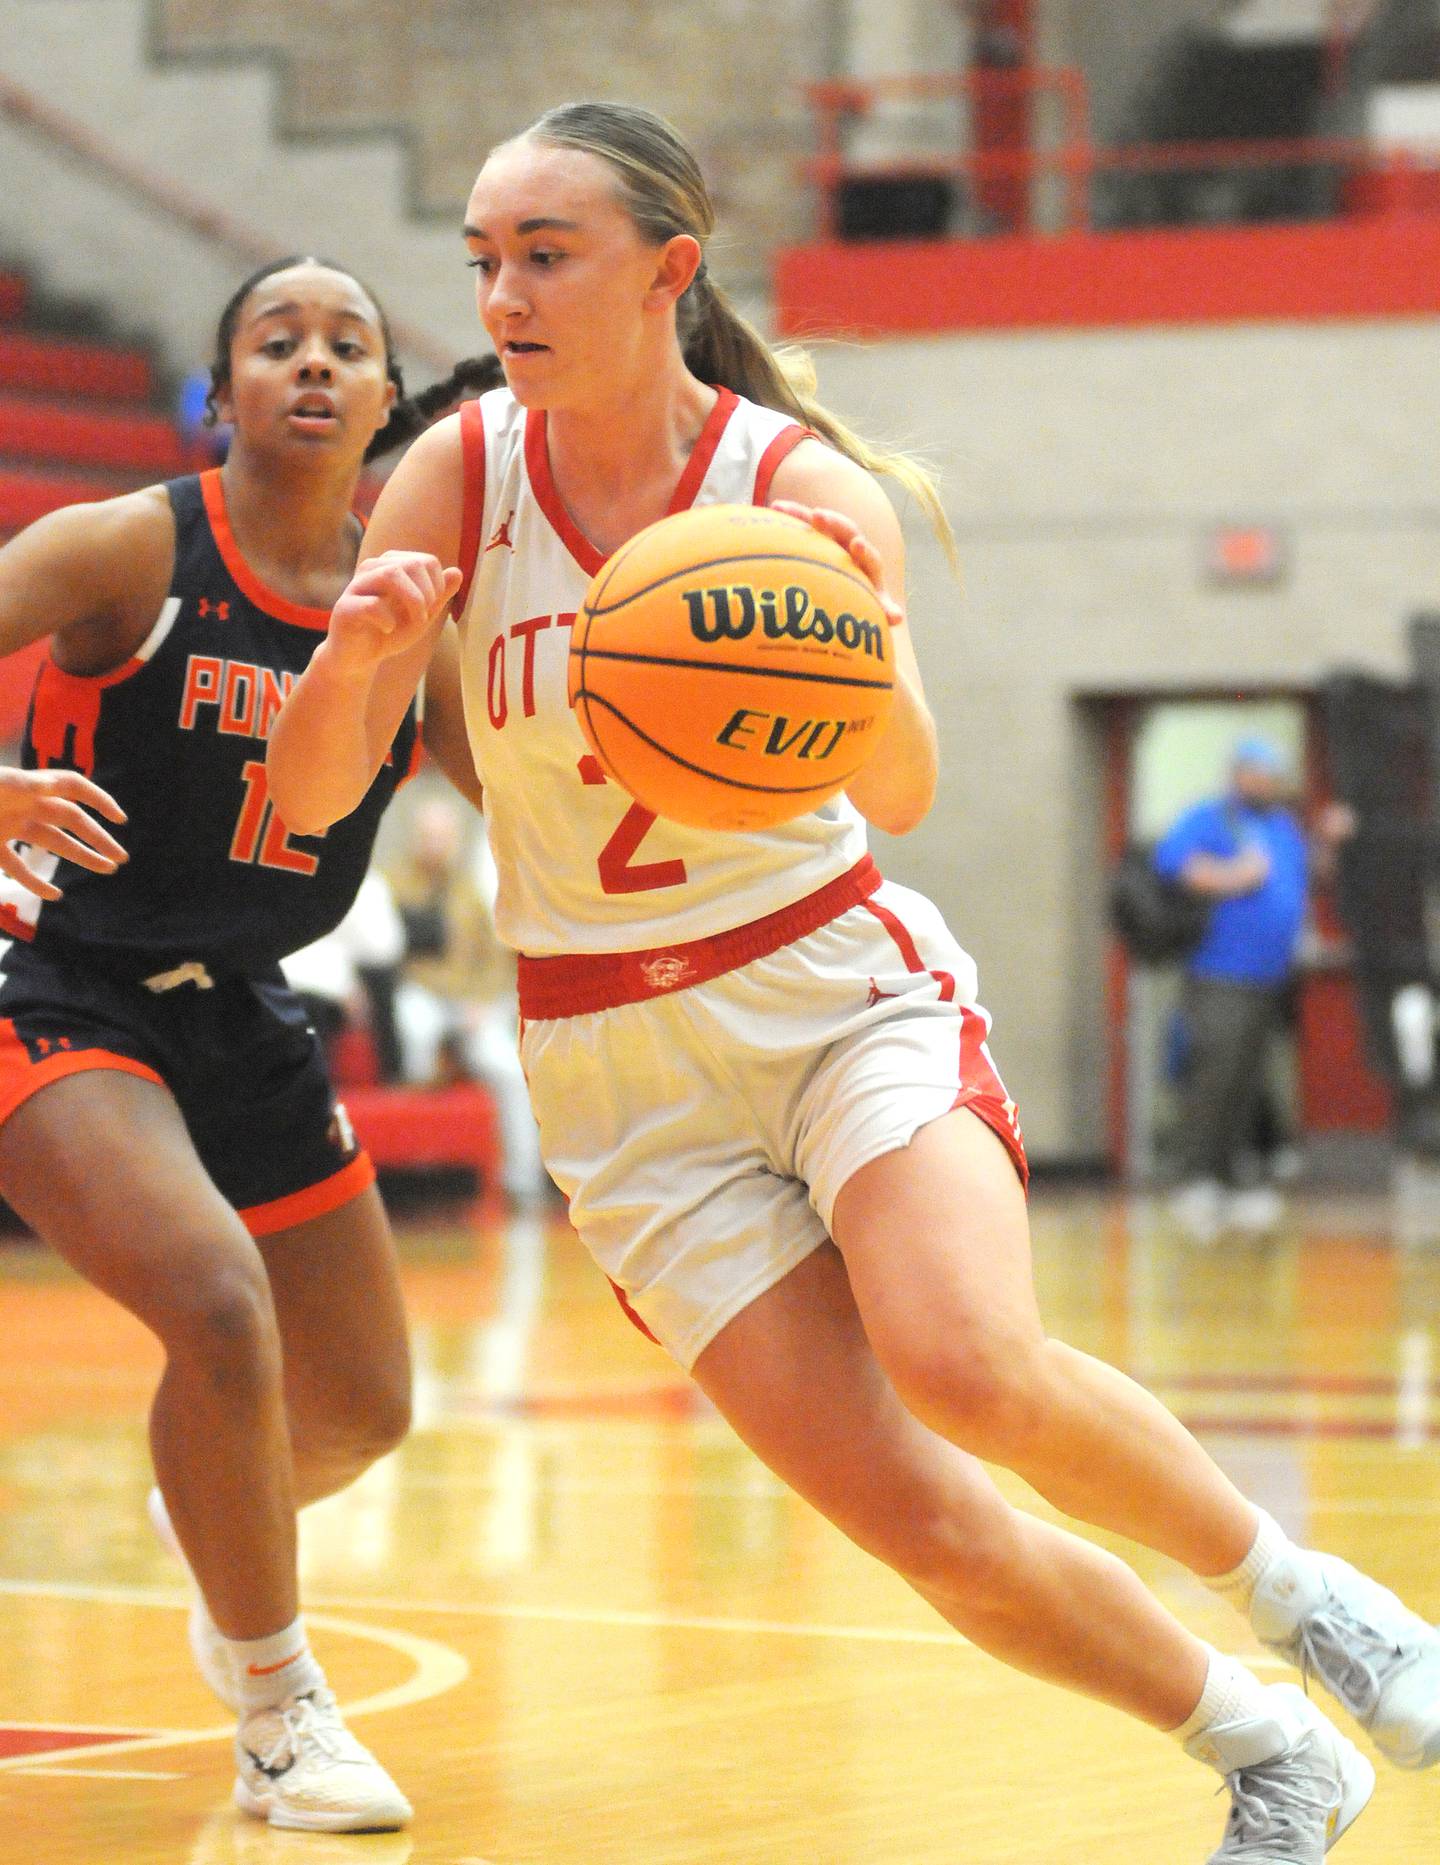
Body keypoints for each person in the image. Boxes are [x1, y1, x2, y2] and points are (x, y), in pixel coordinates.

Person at [266, 103, 1440, 1860]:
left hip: (827, 992)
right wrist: (360, 660)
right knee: (921, 1519)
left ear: (669, 269)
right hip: (612, 1061)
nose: (502, 292)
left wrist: (857, 649)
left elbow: (898, 794)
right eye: (484, 261)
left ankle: (1306, 1599)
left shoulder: (790, 490)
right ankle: (1271, 1750)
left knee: (964, 1360)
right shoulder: (455, 474)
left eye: (546, 254)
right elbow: (299, 802)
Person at [0, 255, 488, 1832]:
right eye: (277, 342)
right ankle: (281, 1713)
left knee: (359, 1404)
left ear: (390, 404)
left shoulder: (405, 611)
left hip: (244, 1005)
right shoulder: (128, 546)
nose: (316, 364)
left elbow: (538, 810)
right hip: (56, 980)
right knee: (218, 1299)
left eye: (352, 344)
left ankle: (211, 1518)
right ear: (223, 392)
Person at [1154, 737, 1310, 1240]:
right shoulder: (1211, 819)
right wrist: (1234, 877)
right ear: (1238, 774)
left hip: (1270, 975)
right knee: (1213, 1074)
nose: (1265, 782)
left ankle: (1233, 1178)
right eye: (1256, 772)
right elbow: (1173, 866)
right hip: (1221, 971)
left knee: (1249, 1081)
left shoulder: (1282, 826)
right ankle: (1195, 1178)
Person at [385, 793, 547, 1206]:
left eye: (443, 836)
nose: (436, 844)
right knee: (414, 1025)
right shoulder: (394, 886)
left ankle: (522, 1182)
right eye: (428, 835)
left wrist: (481, 1005)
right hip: (424, 996)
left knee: (509, 1070)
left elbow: (496, 965)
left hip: (473, 1006)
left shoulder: (475, 892)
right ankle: (416, 1169)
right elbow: (393, 959)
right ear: (415, 838)